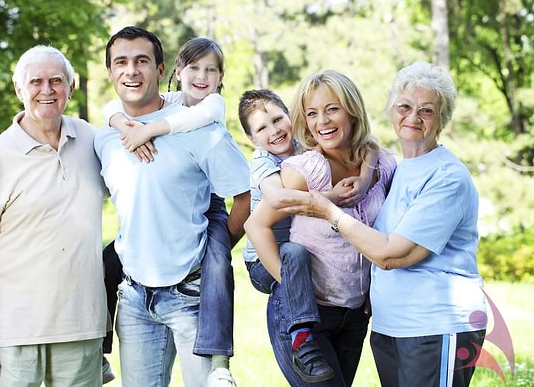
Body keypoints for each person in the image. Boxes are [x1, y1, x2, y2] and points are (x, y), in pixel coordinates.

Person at [277, 61, 488, 387]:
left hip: (436, 325)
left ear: (442, 119)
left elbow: (392, 255)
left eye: (427, 110)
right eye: (404, 106)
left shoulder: (447, 177)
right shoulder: (400, 168)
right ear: (392, 111)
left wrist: (329, 211)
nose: (413, 117)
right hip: (391, 327)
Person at [94, 26, 250, 387]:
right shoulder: (104, 136)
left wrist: (213, 250)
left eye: (142, 61)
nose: (131, 71)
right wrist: (120, 121)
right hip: (132, 297)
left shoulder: (201, 127)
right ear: (110, 72)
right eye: (121, 62)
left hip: (191, 296)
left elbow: (245, 197)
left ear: (162, 69)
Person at [0, 45, 107, 386]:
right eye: (36, 81)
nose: (46, 90)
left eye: (56, 80)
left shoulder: (94, 141)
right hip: (14, 336)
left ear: (71, 87)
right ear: (19, 89)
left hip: (81, 328)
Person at [244, 70, 396, 386]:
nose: (322, 121)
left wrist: (368, 176)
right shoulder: (305, 170)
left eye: (332, 109)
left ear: (352, 109)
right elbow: (255, 225)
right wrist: (291, 287)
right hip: (306, 319)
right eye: (312, 113)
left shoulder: (381, 163)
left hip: (354, 317)